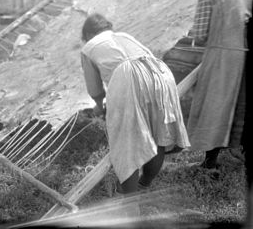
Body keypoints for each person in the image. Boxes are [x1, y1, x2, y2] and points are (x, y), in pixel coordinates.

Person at [80, 13, 190, 194]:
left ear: (88, 35)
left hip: (130, 76)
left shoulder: (89, 47)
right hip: (160, 72)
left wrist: (100, 107)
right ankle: (143, 184)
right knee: (158, 135)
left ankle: (129, 199)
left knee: (126, 144)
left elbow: (95, 90)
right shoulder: (124, 36)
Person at [186, 0, 251, 169]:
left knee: (214, 110)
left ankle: (210, 162)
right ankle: (233, 156)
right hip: (242, 55)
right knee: (238, 109)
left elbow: (200, 35)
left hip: (221, 57)